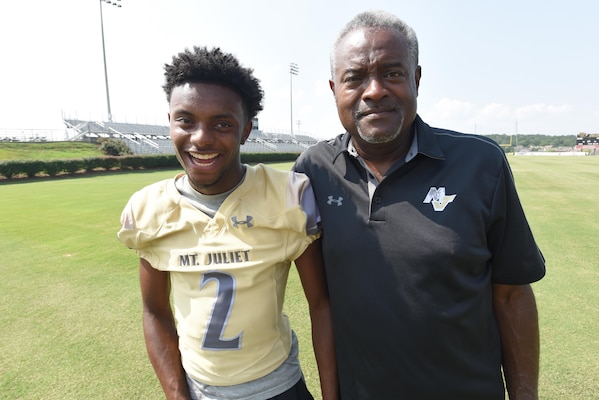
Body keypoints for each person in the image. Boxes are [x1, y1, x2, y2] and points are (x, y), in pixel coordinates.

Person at [293, 10, 545, 400]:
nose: (374, 90)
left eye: (392, 73)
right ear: (333, 89)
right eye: (355, 78)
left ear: (417, 79)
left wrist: (525, 395)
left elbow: (512, 295)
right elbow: (320, 303)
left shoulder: (481, 162)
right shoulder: (312, 170)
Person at [118, 46, 338, 400]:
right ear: (170, 122)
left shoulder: (287, 196)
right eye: (186, 120)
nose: (202, 138)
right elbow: (155, 311)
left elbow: (321, 304)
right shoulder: (150, 209)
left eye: (222, 124)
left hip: (280, 387)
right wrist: (177, 395)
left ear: (246, 130)